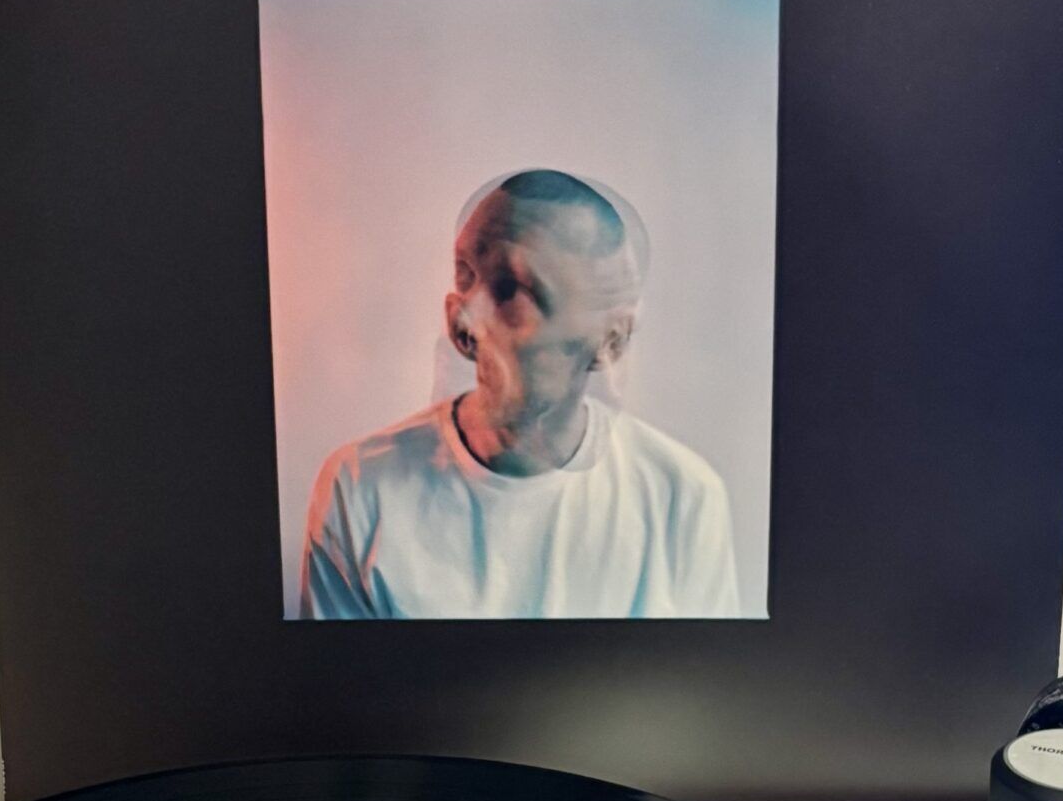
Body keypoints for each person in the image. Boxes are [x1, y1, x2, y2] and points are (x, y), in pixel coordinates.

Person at [299, 168, 741, 620]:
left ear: (610, 341)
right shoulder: (360, 486)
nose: (462, 318)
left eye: (511, 289)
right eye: (465, 275)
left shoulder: (680, 498)